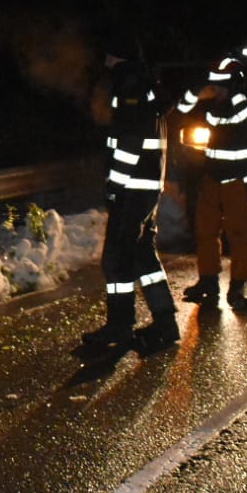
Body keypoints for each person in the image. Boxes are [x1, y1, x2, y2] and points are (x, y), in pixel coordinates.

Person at [80, 52, 181, 355]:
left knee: (116, 259)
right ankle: (165, 322)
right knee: (143, 257)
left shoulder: (130, 86)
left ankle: (120, 326)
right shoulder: (145, 85)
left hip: (132, 191)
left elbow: (130, 143)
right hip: (145, 189)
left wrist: (114, 186)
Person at [173, 55, 247, 311]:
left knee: (240, 236)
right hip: (212, 179)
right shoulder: (217, 105)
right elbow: (181, 109)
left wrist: (230, 91)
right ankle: (208, 281)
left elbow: (237, 119)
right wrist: (195, 90)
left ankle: (237, 288)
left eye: (222, 86)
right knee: (205, 233)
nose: (217, 91)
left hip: (237, 182)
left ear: (235, 85)